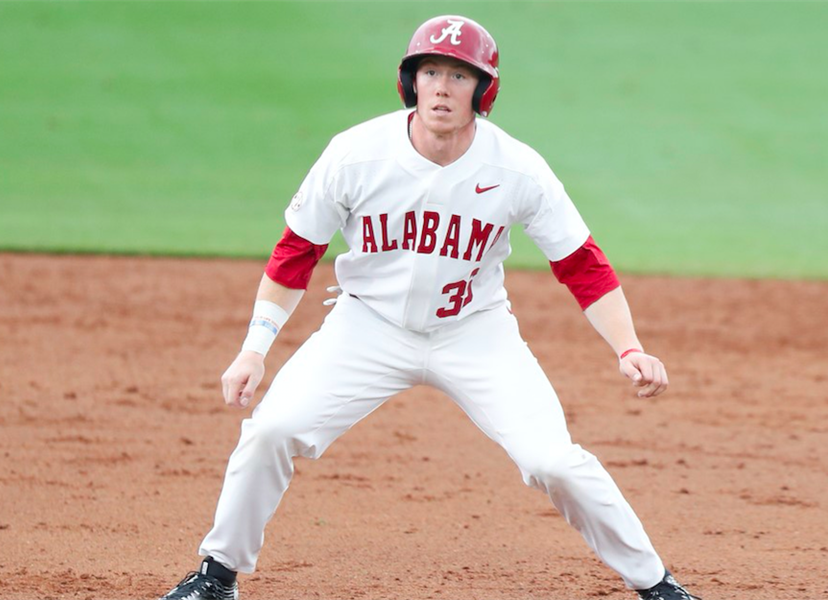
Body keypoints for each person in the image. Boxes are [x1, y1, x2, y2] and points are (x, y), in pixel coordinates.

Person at [156, 15, 699, 600]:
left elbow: (581, 264)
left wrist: (629, 347)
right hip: (367, 325)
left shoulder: (517, 168)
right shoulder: (355, 154)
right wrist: (254, 350)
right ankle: (216, 577)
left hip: (474, 331)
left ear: (483, 90)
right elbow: (297, 252)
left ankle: (659, 587)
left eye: (459, 76)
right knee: (271, 430)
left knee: (555, 462)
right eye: (430, 71)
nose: (441, 86)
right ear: (410, 83)